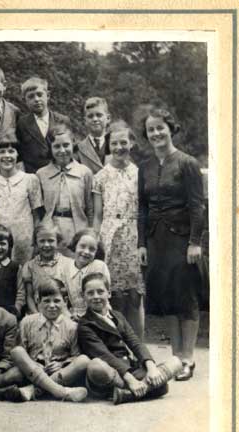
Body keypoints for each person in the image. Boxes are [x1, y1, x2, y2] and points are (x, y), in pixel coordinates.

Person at [138, 107, 206, 381]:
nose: (156, 133)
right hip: (156, 242)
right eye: (151, 129)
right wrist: (142, 244)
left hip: (181, 241)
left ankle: (188, 357)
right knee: (166, 296)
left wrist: (194, 242)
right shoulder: (145, 167)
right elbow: (142, 208)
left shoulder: (187, 163)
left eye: (160, 127)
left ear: (170, 128)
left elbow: (197, 206)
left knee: (185, 296)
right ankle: (176, 357)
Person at [78, 272, 183, 404]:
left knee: (176, 362)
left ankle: (126, 394)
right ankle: (146, 387)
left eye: (100, 292)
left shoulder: (117, 316)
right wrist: (131, 379)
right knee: (96, 366)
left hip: (130, 368)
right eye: (90, 293)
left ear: (109, 293)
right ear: (83, 296)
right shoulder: (85, 324)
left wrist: (151, 368)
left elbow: (135, 342)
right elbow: (104, 355)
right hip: (111, 373)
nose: (96, 297)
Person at [92, 120, 145, 338]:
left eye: (124, 142)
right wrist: (97, 242)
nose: (119, 147)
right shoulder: (100, 176)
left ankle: (139, 348)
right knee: (112, 293)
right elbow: (97, 215)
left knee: (134, 294)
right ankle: (116, 345)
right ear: (108, 145)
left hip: (132, 236)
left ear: (131, 143)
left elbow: (144, 210)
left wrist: (143, 242)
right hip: (109, 236)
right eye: (114, 143)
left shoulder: (140, 174)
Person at [7, 278, 90, 402]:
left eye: (57, 301)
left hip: (59, 372)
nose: (52, 306)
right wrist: (33, 364)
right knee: (16, 351)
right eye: (46, 301)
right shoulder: (27, 322)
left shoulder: (72, 327)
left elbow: (75, 355)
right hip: (33, 371)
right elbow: (21, 353)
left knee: (84, 360)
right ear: (38, 301)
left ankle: (34, 390)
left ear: (65, 301)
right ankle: (61, 391)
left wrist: (61, 364)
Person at [0, 131, 43, 265]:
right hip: (1, 244)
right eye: (2, 152)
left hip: (25, 242)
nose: (6, 156)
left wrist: (36, 242)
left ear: (18, 154)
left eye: (11, 151)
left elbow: (37, 216)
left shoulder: (30, 180)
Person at [36, 122, 94, 254]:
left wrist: (90, 233)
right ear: (50, 148)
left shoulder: (84, 172)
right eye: (56, 146)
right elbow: (38, 210)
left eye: (66, 145)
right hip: (50, 229)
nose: (62, 150)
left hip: (77, 227)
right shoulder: (41, 174)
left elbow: (90, 209)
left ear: (73, 144)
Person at [15, 76, 70, 174]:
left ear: (48, 96)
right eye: (31, 96)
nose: (36, 99)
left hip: (58, 174)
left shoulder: (62, 120)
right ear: (25, 100)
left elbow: (70, 149)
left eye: (40, 95)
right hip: (33, 174)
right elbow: (19, 153)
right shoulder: (22, 124)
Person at [21, 220, 71, 314]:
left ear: (58, 241)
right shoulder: (30, 266)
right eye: (42, 241)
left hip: (62, 313)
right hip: (37, 312)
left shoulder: (68, 264)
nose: (46, 245)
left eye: (51, 241)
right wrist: (37, 315)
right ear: (36, 243)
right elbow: (29, 296)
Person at [63, 228, 111, 318]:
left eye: (92, 249)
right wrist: (69, 315)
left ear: (97, 252)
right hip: (75, 315)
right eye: (82, 246)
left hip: (99, 313)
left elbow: (104, 296)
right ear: (75, 245)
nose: (86, 252)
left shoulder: (99, 266)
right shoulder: (66, 268)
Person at [76, 97, 111, 174]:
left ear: (108, 118)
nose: (95, 119)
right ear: (85, 121)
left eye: (99, 115)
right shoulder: (79, 149)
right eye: (90, 116)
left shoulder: (116, 144)